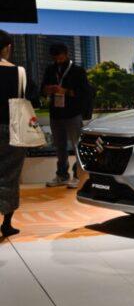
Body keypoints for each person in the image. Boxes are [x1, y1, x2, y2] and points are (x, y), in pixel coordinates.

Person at [0, 30, 38, 238]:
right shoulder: (20, 73)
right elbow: (34, 98)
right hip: (12, 129)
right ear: (7, 48)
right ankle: (6, 224)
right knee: (10, 176)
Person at [41, 43, 89, 189]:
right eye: (54, 57)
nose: (57, 59)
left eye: (60, 56)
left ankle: (78, 175)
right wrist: (48, 89)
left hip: (73, 113)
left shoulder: (77, 70)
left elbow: (85, 92)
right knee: (59, 147)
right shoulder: (50, 69)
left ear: (66, 53)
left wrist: (65, 91)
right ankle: (62, 175)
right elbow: (42, 90)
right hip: (56, 113)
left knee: (77, 145)